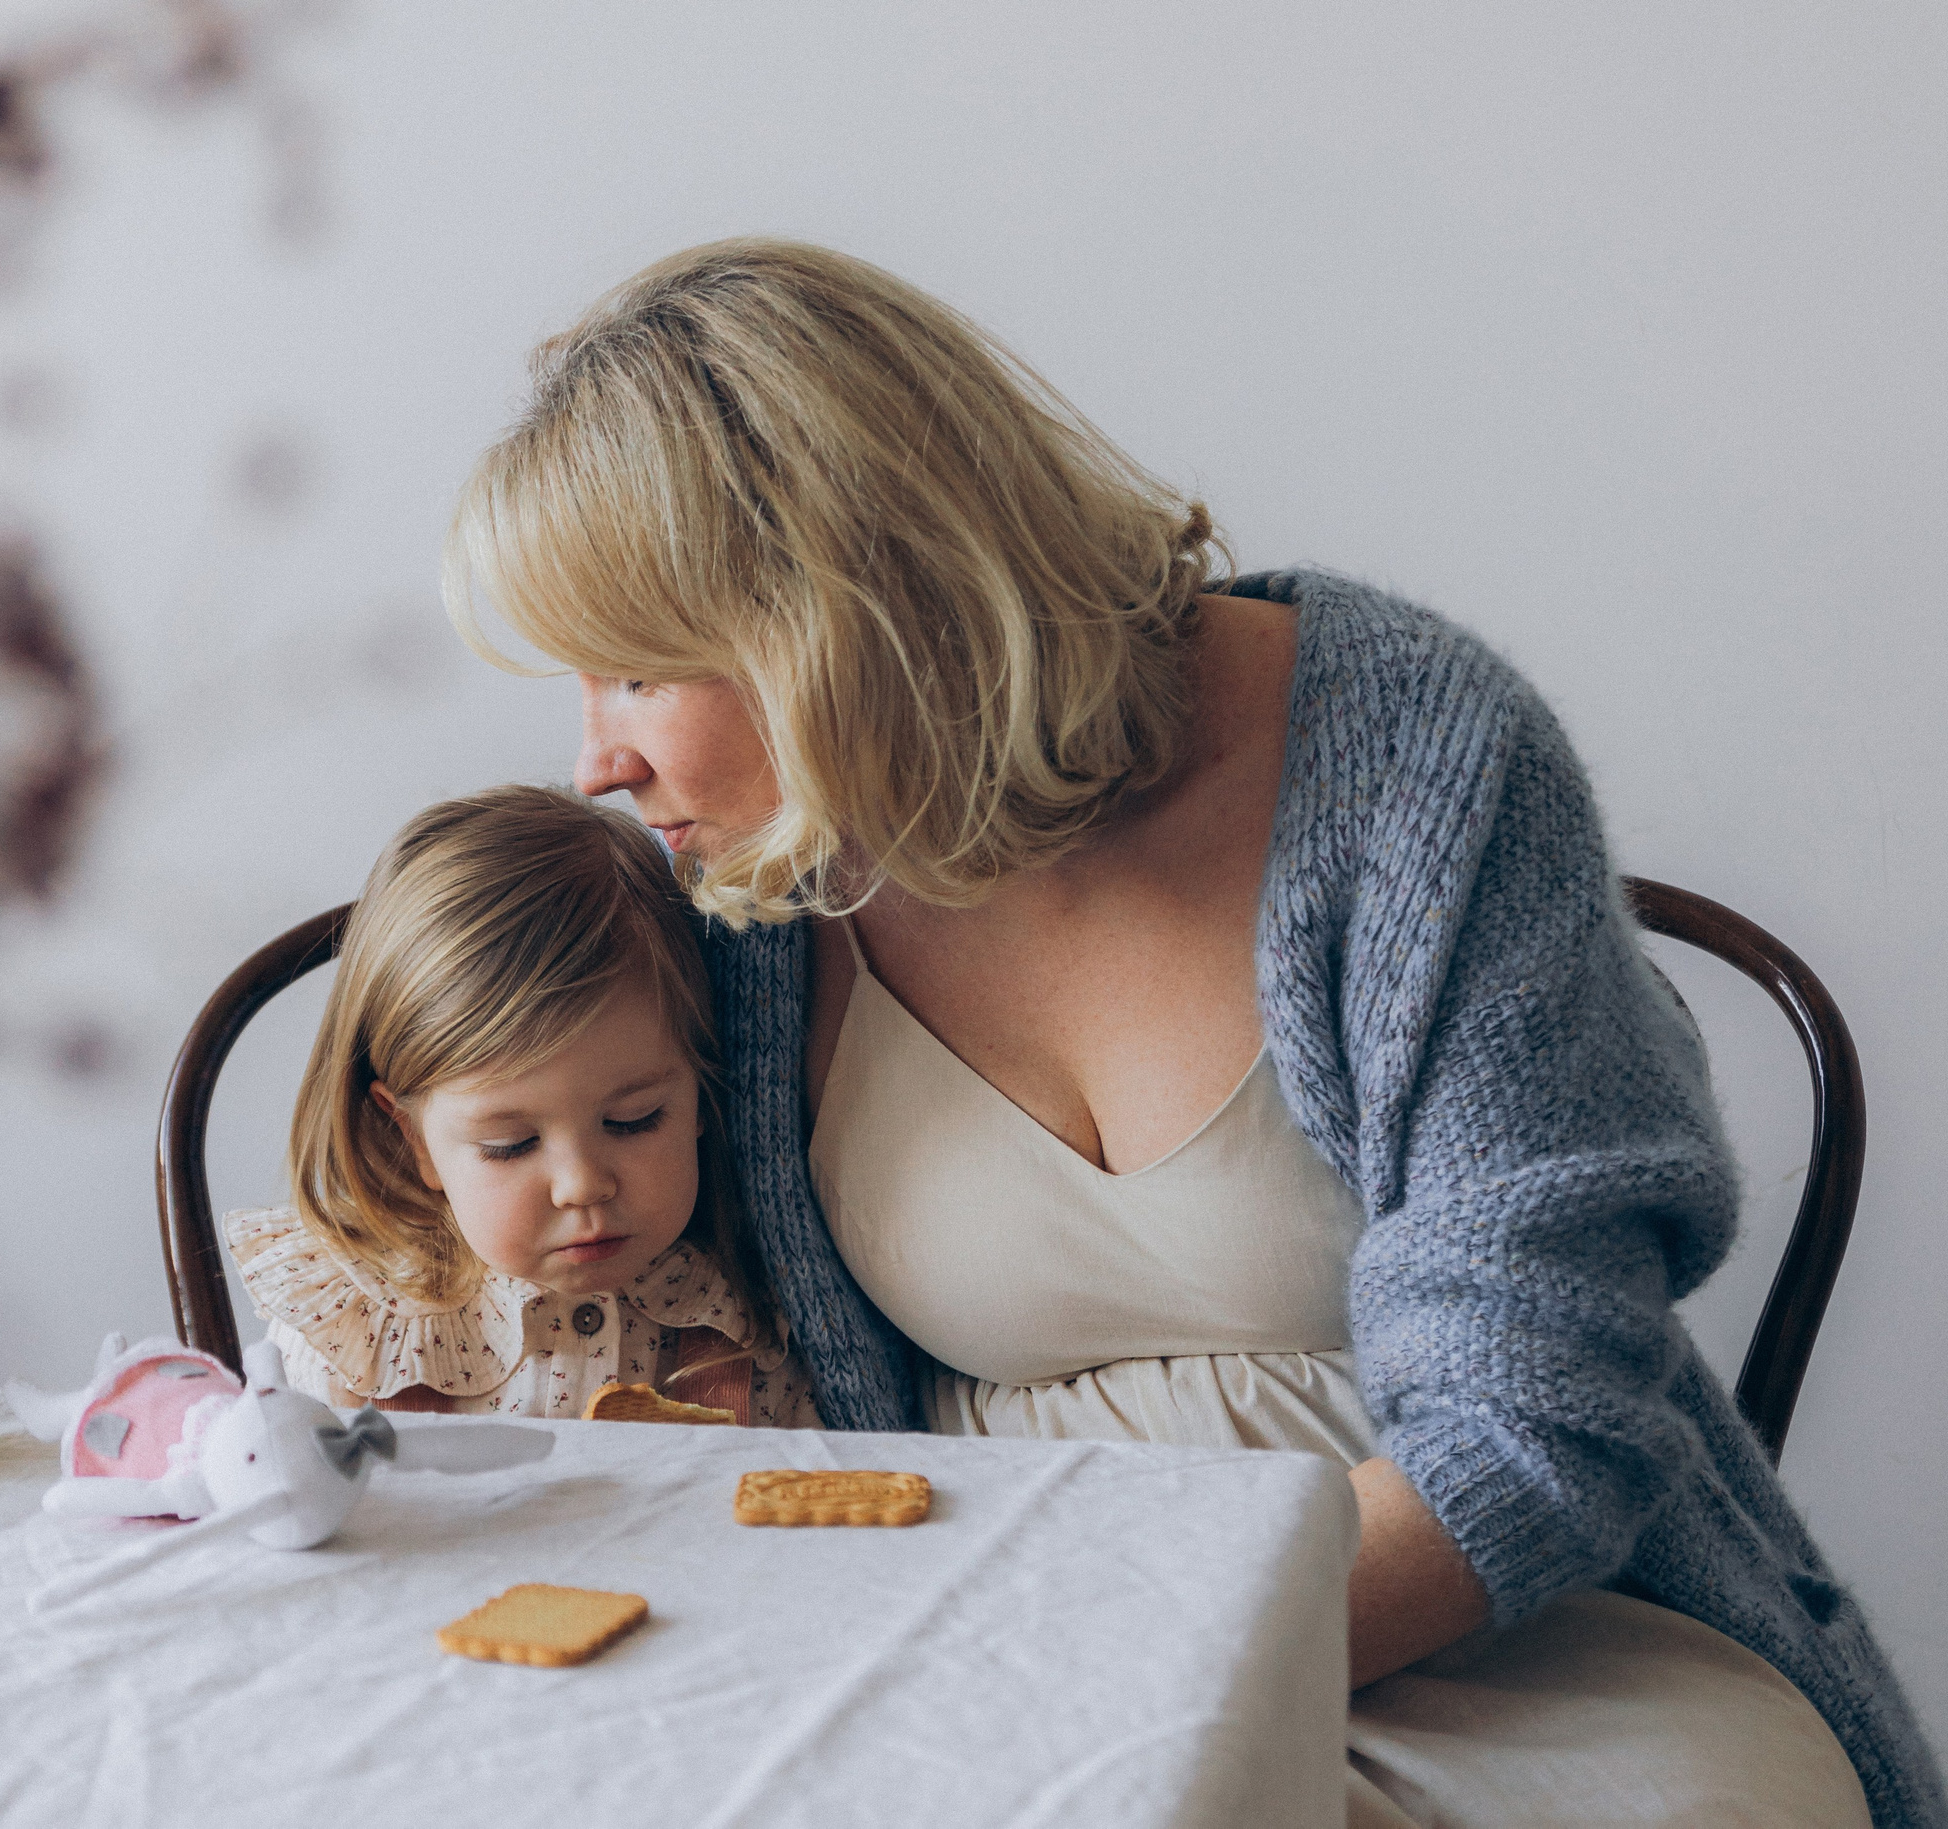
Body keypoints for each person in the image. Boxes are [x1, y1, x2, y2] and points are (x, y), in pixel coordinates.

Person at [442, 239, 1942, 1826]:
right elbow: (470, 1125)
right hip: (1001, 1681)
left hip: (1533, 1658)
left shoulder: (1413, 762)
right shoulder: (757, 891)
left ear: (834, 611)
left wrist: (1106, 1679)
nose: (596, 759)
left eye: (634, 668)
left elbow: (1541, 1422)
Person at [224, 783, 816, 1428]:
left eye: (634, 1119)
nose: (582, 1185)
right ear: (412, 1139)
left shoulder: (748, 1317)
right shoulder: (353, 1332)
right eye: (510, 1145)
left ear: (699, 1091)